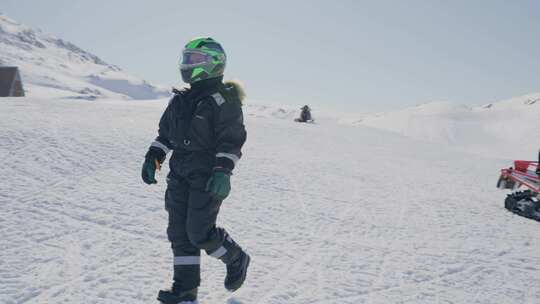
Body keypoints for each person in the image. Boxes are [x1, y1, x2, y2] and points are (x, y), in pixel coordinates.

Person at [141, 37, 249, 304]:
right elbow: (165, 135)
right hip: (179, 174)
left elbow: (231, 139)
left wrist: (223, 171)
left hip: (208, 175)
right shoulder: (180, 100)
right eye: (187, 59)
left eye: (195, 60)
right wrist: (153, 156)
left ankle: (236, 257)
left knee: (199, 232)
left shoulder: (224, 100)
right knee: (179, 233)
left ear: (214, 64)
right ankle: (185, 289)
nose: (188, 65)